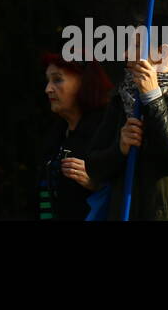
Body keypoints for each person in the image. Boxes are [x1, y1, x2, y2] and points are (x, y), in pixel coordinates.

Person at [84, 13, 168, 220]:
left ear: (164, 52)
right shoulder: (124, 97)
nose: (127, 53)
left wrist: (152, 98)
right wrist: (120, 149)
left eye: (137, 46)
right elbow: (93, 166)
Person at [37, 53, 112, 220]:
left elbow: (132, 189)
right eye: (48, 80)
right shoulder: (56, 133)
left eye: (57, 80)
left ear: (84, 83)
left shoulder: (107, 128)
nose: (48, 89)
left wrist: (98, 185)